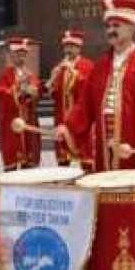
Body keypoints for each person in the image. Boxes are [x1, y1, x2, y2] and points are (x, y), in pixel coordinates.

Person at [57, 0, 135, 171]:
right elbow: (85, 105)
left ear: (131, 28)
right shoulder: (100, 65)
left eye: (116, 25)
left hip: (133, 146)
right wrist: (68, 128)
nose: (110, 30)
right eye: (108, 26)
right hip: (104, 144)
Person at [47, 30, 94, 170]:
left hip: (81, 118)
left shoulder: (87, 65)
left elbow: (89, 89)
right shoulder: (59, 68)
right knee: (63, 156)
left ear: (79, 48)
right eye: (66, 46)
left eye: (72, 46)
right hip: (62, 116)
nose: (68, 50)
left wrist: (74, 73)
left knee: (84, 153)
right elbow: (55, 94)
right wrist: (52, 81)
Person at [0, 37, 42, 170]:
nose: (20, 56)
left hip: (28, 120)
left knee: (29, 157)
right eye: (17, 53)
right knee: (12, 154)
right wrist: (17, 89)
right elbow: (1, 93)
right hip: (12, 121)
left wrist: (33, 94)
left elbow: (36, 93)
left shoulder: (30, 74)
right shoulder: (6, 75)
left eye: (23, 53)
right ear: (11, 55)